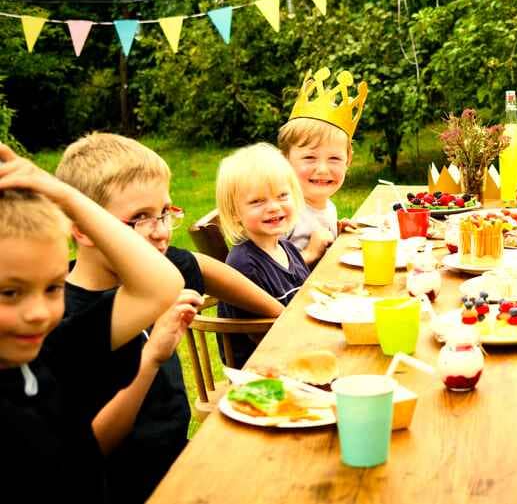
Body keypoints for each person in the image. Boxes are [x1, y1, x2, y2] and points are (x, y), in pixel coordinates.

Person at [54, 132, 284, 504]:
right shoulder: (59, 315)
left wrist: (282, 315)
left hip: (182, 460)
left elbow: (204, 267)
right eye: (139, 218)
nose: (161, 232)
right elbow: (89, 449)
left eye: (164, 212)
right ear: (83, 228)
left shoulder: (163, 264)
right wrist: (149, 361)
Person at [0, 143, 183, 501]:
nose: (39, 312)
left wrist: (63, 197)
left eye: (53, 287)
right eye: (9, 293)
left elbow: (160, 286)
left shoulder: (48, 356)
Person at [216, 143, 310, 365]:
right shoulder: (245, 265)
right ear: (235, 212)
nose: (273, 207)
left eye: (282, 196)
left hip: (296, 348)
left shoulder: (288, 249)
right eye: (258, 201)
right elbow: (260, 337)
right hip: (262, 370)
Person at [279, 67, 367, 266]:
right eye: (310, 157)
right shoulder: (282, 212)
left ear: (348, 161)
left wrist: (336, 233)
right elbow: (268, 273)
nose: (322, 169)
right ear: (285, 160)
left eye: (334, 159)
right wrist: (309, 253)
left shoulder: (328, 207)